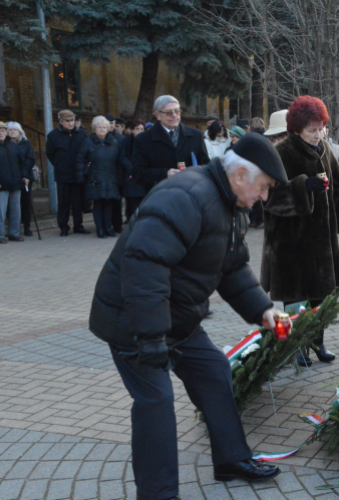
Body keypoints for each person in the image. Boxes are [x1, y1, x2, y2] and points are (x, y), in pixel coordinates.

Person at [89, 133, 288, 500]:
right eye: (264, 188)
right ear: (241, 175)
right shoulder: (185, 196)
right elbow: (144, 266)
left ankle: (231, 460)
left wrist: (262, 309)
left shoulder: (231, 206)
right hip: (133, 322)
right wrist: (150, 339)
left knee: (213, 370)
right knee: (156, 403)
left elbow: (232, 267)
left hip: (176, 319)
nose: (264, 197)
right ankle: (158, 494)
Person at [261, 95, 339, 367]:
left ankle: (317, 342)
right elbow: (269, 197)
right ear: (295, 129)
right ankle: (296, 347)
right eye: (311, 130)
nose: (318, 135)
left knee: (320, 297)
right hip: (291, 244)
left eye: (321, 128)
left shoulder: (324, 149)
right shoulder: (282, 153)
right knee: (296, 299)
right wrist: (302, 187)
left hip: (322, 243)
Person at [131, 95, 209, 193]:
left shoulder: (195, 135)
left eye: (177, 111)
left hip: (190, 195)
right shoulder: (143, 139)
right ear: (158, 115)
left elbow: (206, 166)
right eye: (168, 112)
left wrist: (192, 173)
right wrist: (165, 174)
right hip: (160, 196)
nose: (174, 115)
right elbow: (137, 173)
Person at [0, 122, 32, 244]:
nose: (1, 133)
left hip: (16, 183)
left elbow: (23, 163)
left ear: (6, 132)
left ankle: (14, 233)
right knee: (0, 212)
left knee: (16, 211)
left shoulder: (14, 146)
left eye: (3, 130)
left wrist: (25, 176)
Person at [76, 116, 125, 238]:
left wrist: (120, 178)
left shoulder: (114, 142)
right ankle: (100, 229)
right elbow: (80, 159)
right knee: (98, 203)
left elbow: (119, 161)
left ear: (108, 128)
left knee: (109, 203)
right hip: (95, 177)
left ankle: (108, 228)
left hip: (111, 176)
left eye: (104, 127)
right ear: (94, 129)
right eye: (99, 127)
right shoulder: (88, 142)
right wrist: (80, 175)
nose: (102, 129)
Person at [46, 109, 89, 236]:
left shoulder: (81, 134)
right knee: (63, 202)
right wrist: (59, 164)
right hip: (63, 174)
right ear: (61, 121)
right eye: (68, 121)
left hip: (77, 173)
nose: (71, 123)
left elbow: (86, 152)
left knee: (77, 202)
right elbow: (50, 154)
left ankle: (78, 225)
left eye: (72, 121)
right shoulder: (53, 136)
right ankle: (63, 227)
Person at [6, 122, 37, 237]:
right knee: (12, 203)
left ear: (20, 131)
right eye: (10, 130)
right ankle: (13, 227)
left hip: (25, 177)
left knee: (26, 202)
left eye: (15, 129)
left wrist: (25, 175)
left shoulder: (26, 143)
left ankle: (27, 227)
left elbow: (30, 160)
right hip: (11, 177)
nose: (12, 131)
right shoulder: (6, 144)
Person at [121, 120, 146, 221]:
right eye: (137, 129)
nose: (140, 131)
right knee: (132, 202)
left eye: (142, 129)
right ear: (132, 130)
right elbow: (122, 157)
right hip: (131, 174)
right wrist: (131, 168)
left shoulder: (146, 141)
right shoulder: (127, 141)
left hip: (143, 174)